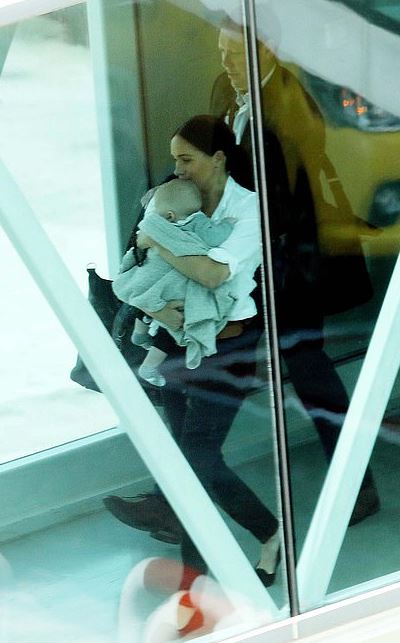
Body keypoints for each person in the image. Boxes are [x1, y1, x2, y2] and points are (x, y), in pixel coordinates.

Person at [211, 17, 382, 521]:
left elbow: (283, 202)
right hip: (266, 264)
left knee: (305, 371)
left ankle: (359, 486)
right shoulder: (234, 94)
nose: (226, 63)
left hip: (289, 266)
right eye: (221, 52)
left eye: (236, 54)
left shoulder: (289, 106)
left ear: (266, 52)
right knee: (260, 370)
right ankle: (177, 499)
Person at [106, 115, 283, 586]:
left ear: (218, 158)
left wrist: (160, 240)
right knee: (192, 460)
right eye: (175, 159)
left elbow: (211, 275)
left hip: (228, 346)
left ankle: (217, 558)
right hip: (176, 340)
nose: (178, 168)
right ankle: (223, 557)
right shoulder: (172, 195)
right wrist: (163, 311)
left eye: (186, 159)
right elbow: (137, 256)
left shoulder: (248, 211)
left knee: (197, 458)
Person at [113, 179, 237, 386]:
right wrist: (227, 225)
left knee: (147, 292)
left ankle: (140, 332)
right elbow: (214, 237)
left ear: (169, 214)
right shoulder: (197, 222)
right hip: (172, 279)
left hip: (151, 276)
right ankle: (149, 366)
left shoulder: (155, 226)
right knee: (178, 320)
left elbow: (140, 247)